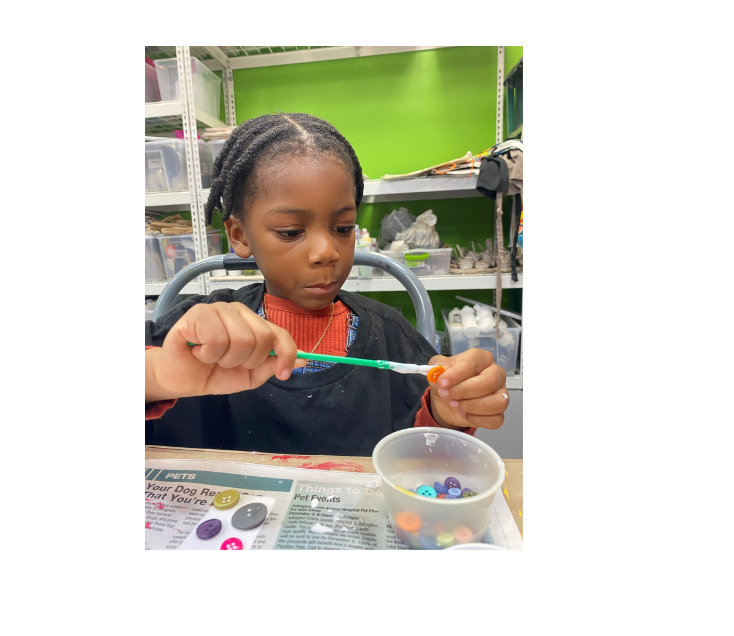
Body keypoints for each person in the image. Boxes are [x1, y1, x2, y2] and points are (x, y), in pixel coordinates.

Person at [145, 112, 508, 455]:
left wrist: (447, 413)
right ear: (240, 235)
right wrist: (159, 374)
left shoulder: (391, 336)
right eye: (291, 231)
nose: (326, 252)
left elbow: (422, 453)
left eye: (343, 228)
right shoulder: (197, 332)